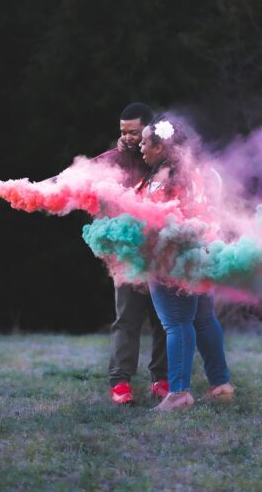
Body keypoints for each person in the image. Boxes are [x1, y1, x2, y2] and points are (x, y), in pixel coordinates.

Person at [136, 116, 234, 412]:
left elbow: (152, 222)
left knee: (177, 323)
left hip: (171, 261)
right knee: (203, 319)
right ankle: (221, 386)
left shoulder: (163, 179)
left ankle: (179, 394)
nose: (140, 146)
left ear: (161, 146)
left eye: (144, 142)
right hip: (202, 254)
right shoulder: (200, 174)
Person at [94, 103, 169, 405]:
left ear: (148, 131)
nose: (126, 137)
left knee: (164, 319)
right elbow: (77, 182)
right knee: (126, 320)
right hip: (126, 255)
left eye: (133, 132)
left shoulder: (161, 158)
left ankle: (162, 379)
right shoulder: (109, 162)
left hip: (163, 253)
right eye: (122, 131)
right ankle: (120, 384)